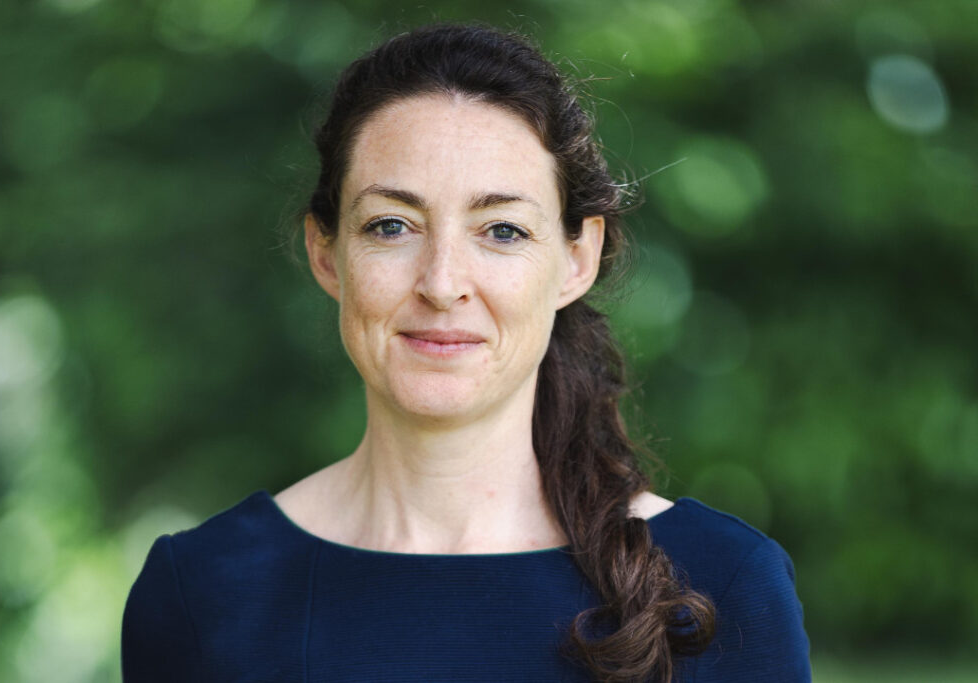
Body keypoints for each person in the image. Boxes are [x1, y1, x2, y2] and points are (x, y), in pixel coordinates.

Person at [121, 23, 810, 682]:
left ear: (577, 259)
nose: (443, 282)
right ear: (326, 252)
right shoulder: (201, 592)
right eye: (392, 226)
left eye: (502, 230)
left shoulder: (722, 586)